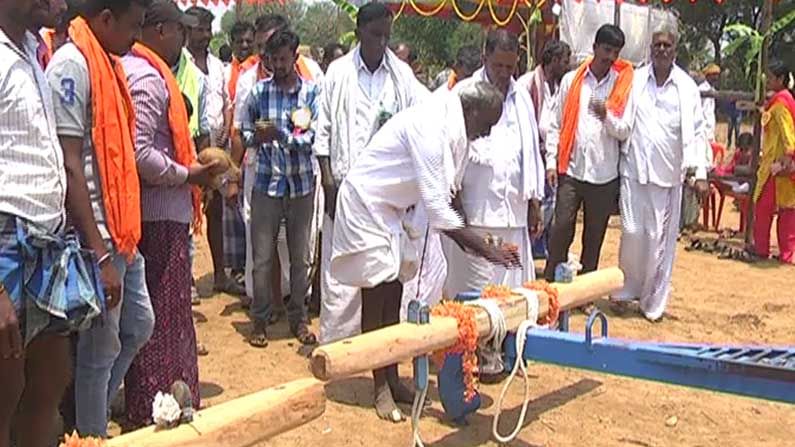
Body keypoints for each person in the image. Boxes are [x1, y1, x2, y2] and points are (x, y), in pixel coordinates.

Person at [330, 81, 516, 422]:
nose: (487, 134)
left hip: (395, 211)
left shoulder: (453, 128)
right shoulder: (430, 126)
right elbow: (438, 209)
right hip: (366, 204)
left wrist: (484, 244)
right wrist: (486, 251)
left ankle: (391, 376)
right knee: (377, 294)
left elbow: (450, 196)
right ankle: (380, 388)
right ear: (472, 111)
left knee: (394, 291)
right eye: (487, 124)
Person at [45, 0, 156, 436]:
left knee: (138, 325)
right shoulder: (71, 66)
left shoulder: (108, 64)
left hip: (121, 230)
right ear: (106, 19)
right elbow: (71, 165)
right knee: (100, 346)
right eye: (134, 26)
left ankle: (86, 420)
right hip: (96, 237)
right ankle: (92, 435)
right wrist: (98, 252)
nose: (137, 36)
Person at [0, 0, 105, 445]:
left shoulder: (30, 52)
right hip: (7, 242)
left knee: (48, 384)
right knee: (4, 393)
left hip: (48, 242)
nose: (61, 4)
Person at [121, 0, 218, 427]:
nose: (184, 39)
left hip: (163, 212)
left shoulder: (144, 71)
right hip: (157, 214)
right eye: (179, 30)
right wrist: (188, 174)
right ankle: (155, 408)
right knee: (160, 319)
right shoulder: (145, 76)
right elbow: (140, 152)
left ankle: (170, 401)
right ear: (160, 30)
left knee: (169, 316)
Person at [315, 2, 428, 344]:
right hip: (347, 193)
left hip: (388, 199)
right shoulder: (336, 72)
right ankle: (339, 353)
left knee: (386, 280)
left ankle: (383, 363)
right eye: (376, 35)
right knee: (343, 280)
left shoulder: (402, 76)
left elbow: (418, 128)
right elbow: (323, 133)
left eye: (386, 36)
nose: (382, 42)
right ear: (360, 32)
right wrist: (329, 183)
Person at [613, 25, 711, 322]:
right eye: (657, 45)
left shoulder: (687, 88)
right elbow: (620, 117)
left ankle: (652, 302)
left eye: (667, 45)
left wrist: (700, 171)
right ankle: (625, 290)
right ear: (650, 49)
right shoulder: (635, 79)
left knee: (658, 241)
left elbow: (697, 132)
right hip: (633, 169)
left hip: (667, 176)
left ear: (675, 51)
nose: (662, 50)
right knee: (630, 234)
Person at [230, 13, 323, 314]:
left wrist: (279, 134)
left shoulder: (311, 92)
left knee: (300, 256)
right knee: (262, 257)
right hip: (265, 183)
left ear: (294, 57)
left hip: (301, 184)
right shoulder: (258, 91)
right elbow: (242, 132)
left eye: (284, 60)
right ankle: (261, 317)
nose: (278, 66)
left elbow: (311, 139)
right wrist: (256, 137)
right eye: (274, 60)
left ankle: (297, 316)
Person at [444, 29, 545, 297]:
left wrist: (534, 203)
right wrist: (458, 209)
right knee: (474, 295)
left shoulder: (522, 96)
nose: (503, 72)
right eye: (498, 65)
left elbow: (530, 152)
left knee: (511, 295)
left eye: (509, 67)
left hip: (514, 213)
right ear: (484, 57)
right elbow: (451, 154)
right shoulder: (465, 93)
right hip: (476, 215)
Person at [544, 24, 634, 282]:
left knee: (594, 237)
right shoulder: (571, 81)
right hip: (571, 169)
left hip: (604, 175)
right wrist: (551, 162)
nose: (610, 57)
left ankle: (585, 291)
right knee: (561, 228)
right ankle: (552, 285)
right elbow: (555, 124)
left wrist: (606, 115)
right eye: (606, 50)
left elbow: (625, 130)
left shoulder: (622, 86)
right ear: (594, 48)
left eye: (615, 52)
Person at [184, 6, 245, 296]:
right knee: (187, 213)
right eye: (200, 29)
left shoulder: (218, 67)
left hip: (217, 148)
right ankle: (188, 279)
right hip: (188, 147)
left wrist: (226, 131)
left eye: (209, 29)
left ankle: (220, 274)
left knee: (217, 211)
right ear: (187, 30)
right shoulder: (180, 64)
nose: (205, 35)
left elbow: (227, 105)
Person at [517, 39, 571, 260]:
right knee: (533, 207)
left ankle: (536, 251)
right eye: (565, 62)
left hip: (551, 157)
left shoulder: (560, 87)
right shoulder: (527, 84)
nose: (567, 66)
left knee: (548, 208)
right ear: (553, 60)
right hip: (530, 157)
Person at [751, 60, 795, 264]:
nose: (767, 81)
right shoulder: (784, 100)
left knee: (763, 207)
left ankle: (761, 249)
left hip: (776, 167)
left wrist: (786, 160)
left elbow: (788, 134)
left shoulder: (781, 104)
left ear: (780, 79)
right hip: (781, 165)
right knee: (787, 209)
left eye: (770, 78)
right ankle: (786, 253)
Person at [699, 63, 720, 144]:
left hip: (710, 127)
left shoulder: (713, 90)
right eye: (714, 75)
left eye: (717, 75)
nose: (716, 77)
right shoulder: (702, 89)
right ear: (708, 76)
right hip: (702, 128)